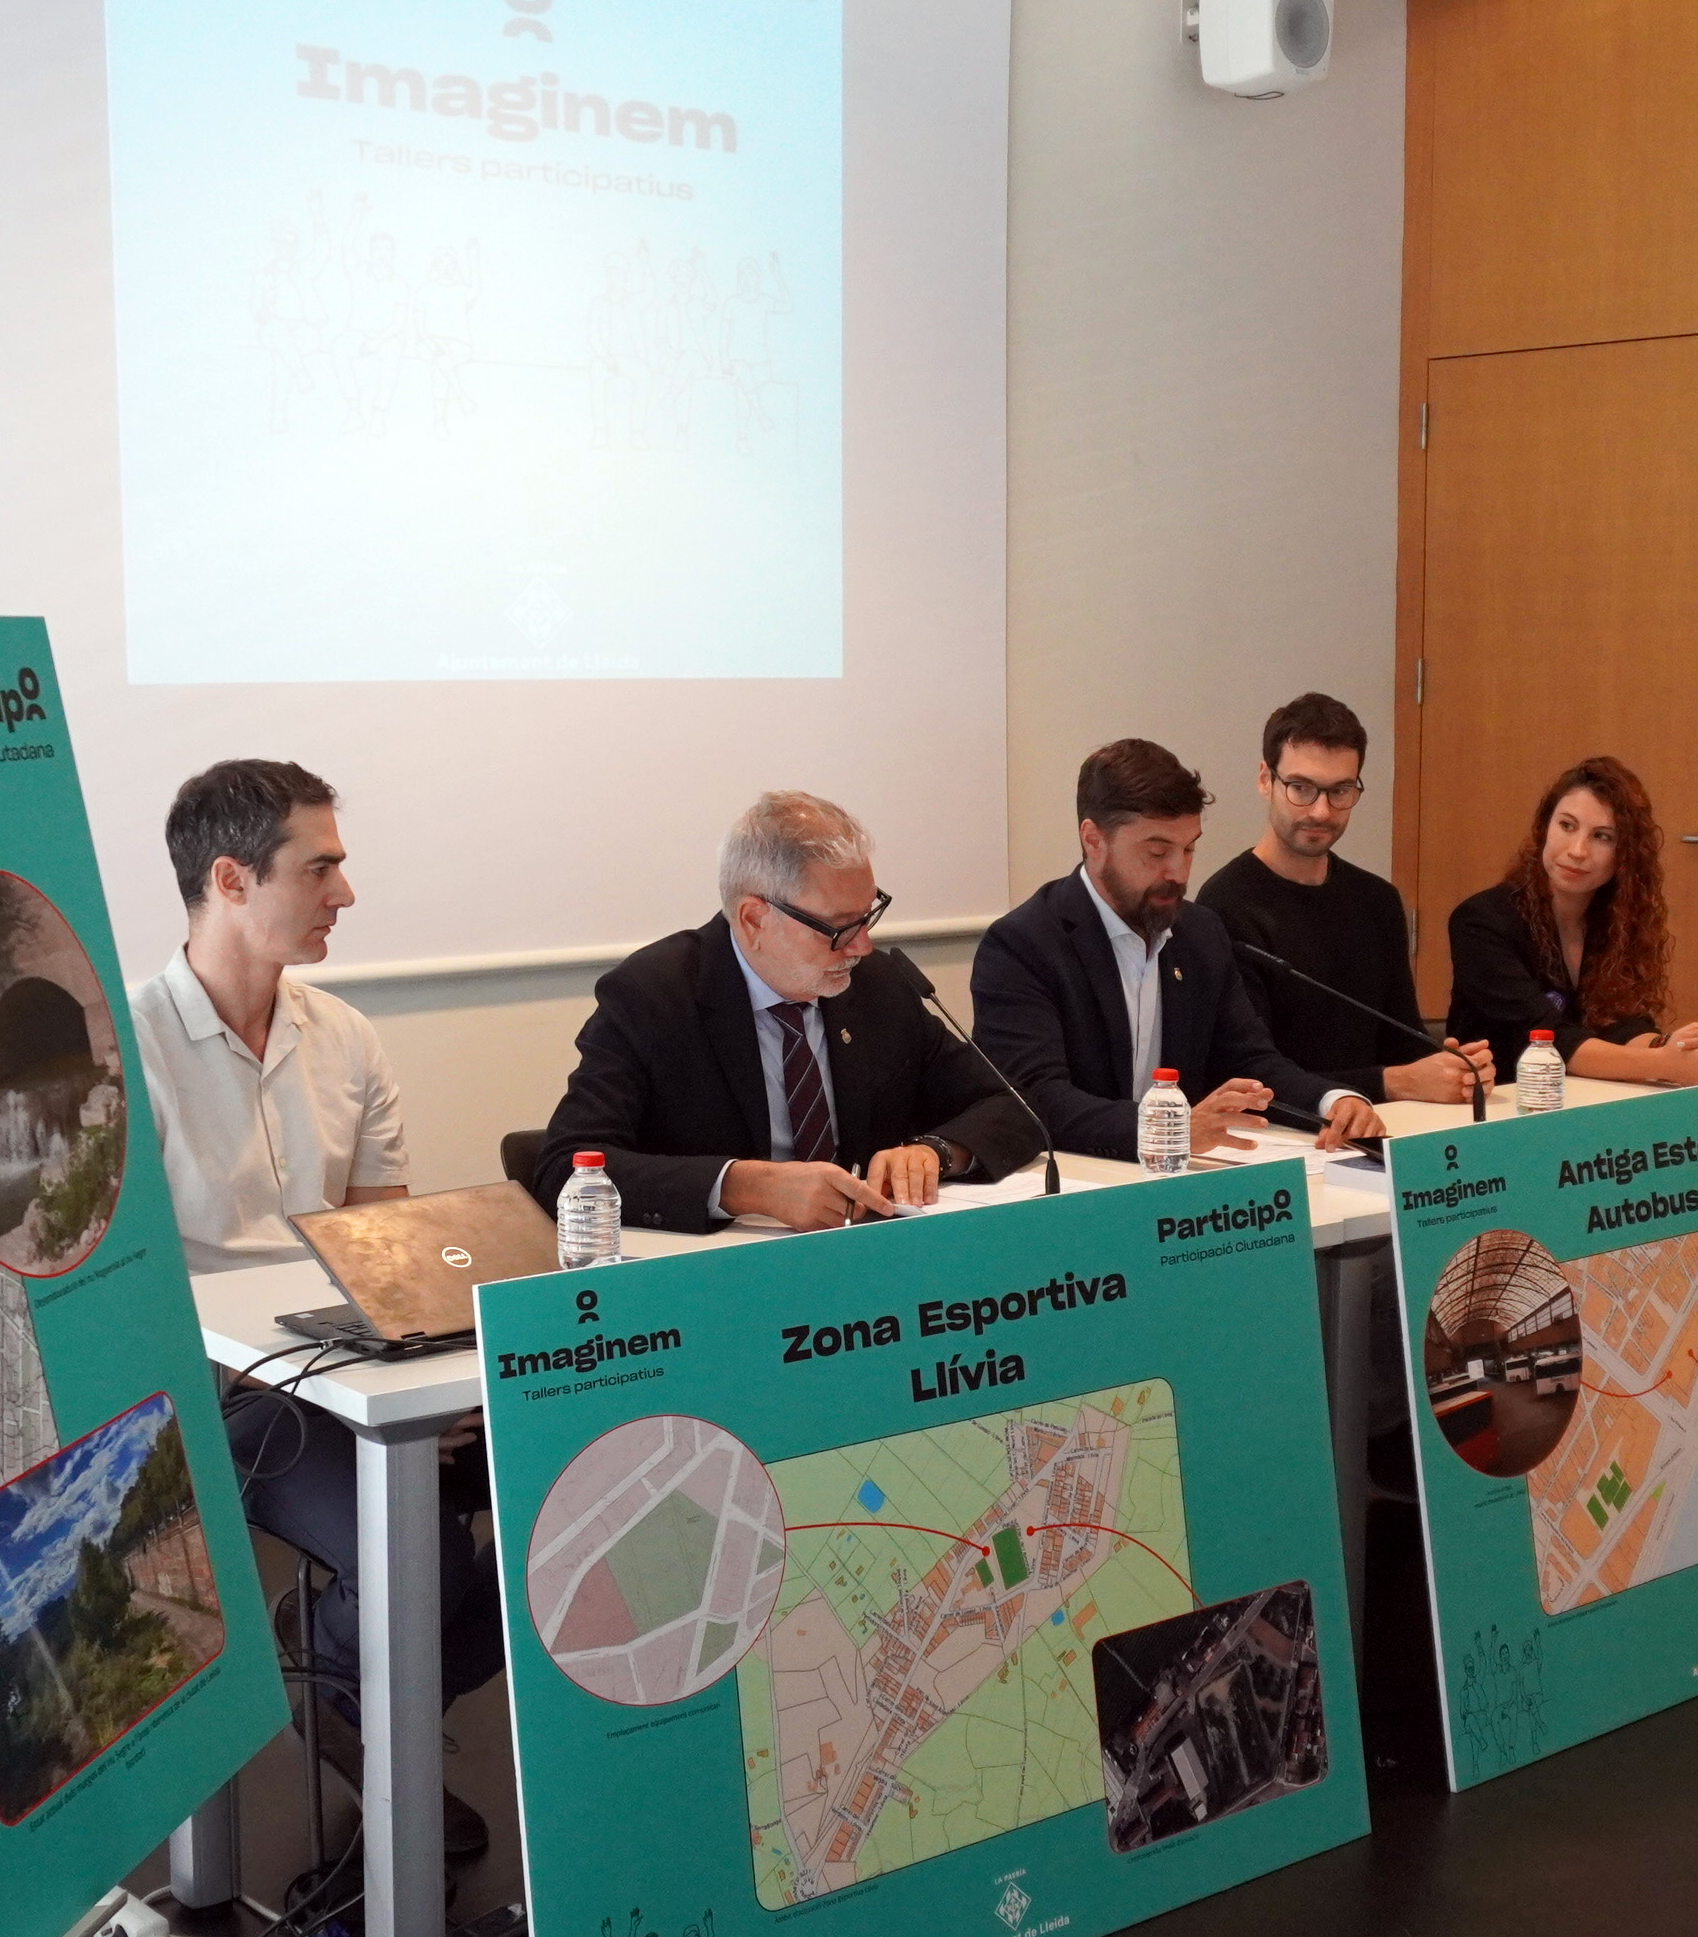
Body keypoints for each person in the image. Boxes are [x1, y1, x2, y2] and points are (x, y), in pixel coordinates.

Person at [125, 759, 494, 1859]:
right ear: (230, 879)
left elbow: (384, 1255)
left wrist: (421, 1374)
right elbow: (122, 1298)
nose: (346, 893)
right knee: (422, 1567)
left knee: (548, 1509)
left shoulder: (345, 1036)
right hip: (213, 1392)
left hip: (351, 1370)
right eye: (320, 867)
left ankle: (339, 1677)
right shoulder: (123, 1048)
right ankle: (357, 1695)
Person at [535, 790, 1044, 1233]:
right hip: (722, 1277)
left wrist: (935, 1152)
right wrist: (742, 1186)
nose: (862, 946)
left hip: (870, 1260)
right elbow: (564, 1169)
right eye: (839, 927)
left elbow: (1012, 1106)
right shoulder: (653, 996)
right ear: (754, 919)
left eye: (868, 915)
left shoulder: (878, 985)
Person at [971, 739, 1393, 1161]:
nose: (1178, 871)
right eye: (1157, 852)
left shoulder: (1199, 932)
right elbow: (1035, 1099)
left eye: (1189, 848)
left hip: (1178, 1177)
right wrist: (1167, 1127)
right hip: (1079, 1176)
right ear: (1094, 840)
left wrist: (1333, 1101)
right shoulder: (1023, 945)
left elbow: (1250, 1061)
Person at [1196, 693, 1492, 1108]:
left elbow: (1402, 1041)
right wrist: (1393, 1082)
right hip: (1282, 1132)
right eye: (1301, 788)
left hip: (1380, 1125)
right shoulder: (1225, 906)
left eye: (1340, 790)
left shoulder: (1377, 900)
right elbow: (1251, 1075)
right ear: (1265, 780)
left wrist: (1452, 1070)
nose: (1321, 811)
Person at [1443, 756, 1698, 1084]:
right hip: (1500, 1100)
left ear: (1625, 855)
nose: (1578, 850)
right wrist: (1663, 1065)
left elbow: (1622, 1023)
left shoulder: (1615, 919)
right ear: (1544, 828)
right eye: (1567, 826)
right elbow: (1549, 1039)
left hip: (1583, 1099)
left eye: (1602, 836)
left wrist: (1682, 1048)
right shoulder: (1482, 920)